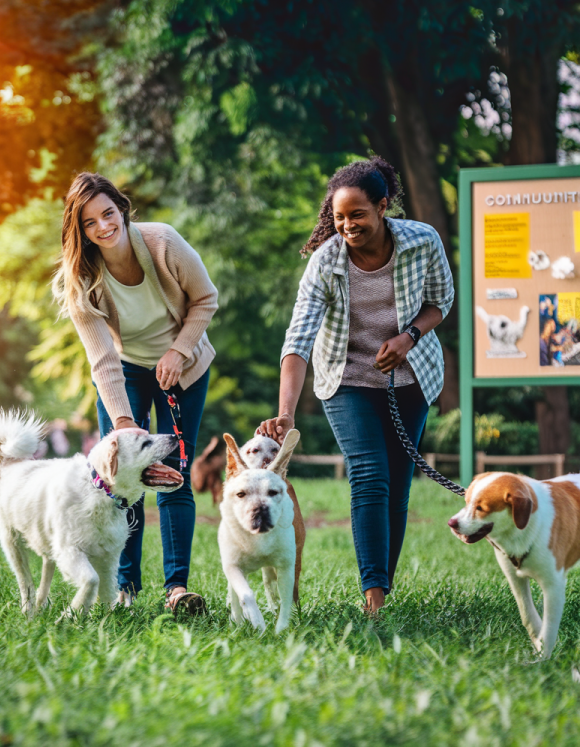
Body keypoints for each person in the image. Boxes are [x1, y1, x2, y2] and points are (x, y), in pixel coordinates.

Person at [259, 157, 454, 614]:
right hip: (346, 379)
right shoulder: (326, 263)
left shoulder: (422, 241)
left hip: (411, 376)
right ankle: (374, 599)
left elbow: (440, 301)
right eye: (340, 216)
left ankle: (382, 583)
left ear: (383, 206)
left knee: (397, 489)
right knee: (369, 473)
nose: (347, 225)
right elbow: (298, 340)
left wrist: (409, 337)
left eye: (358, 214)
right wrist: (285, 412)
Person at [53, 173, 218, 613]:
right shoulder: (81, 282)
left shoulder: (163, 243)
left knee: (173, 472)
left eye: (108, 214)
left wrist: (179, 352)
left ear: (122, 211)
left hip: (184, 368)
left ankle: (177, 589)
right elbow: (103, 360)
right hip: (124, 371)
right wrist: (125, 426)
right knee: (120, 482)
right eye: (90, 223)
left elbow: (206, 299)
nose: (103, 227)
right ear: (81, 232)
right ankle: (124, 587)